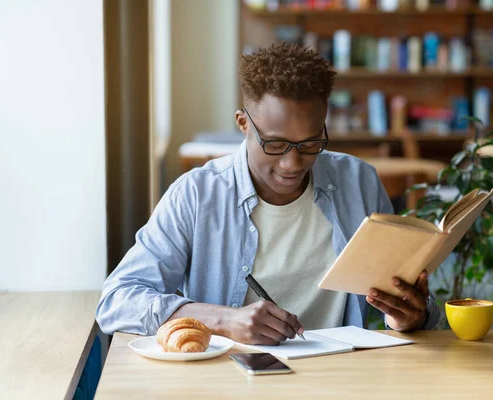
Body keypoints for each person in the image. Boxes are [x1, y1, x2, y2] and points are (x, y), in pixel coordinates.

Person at [96, 43, 440, 345]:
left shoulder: (358, 181)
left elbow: (407, 303)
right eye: (275, 144)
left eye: (310, 144)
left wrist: (412, 318)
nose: (292, 163)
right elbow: (117, 301)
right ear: (243, 123)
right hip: (231, 379)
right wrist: (222, 320)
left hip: (340, 377)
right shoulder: (197, 195)